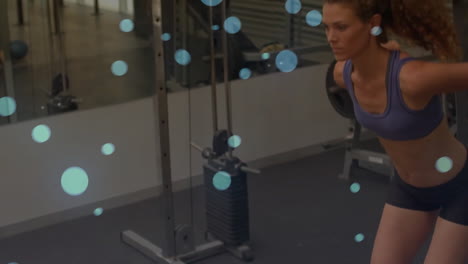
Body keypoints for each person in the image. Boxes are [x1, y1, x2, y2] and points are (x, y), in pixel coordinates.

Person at [322, 0, 468, 263]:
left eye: (341, 27)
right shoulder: (342, 74)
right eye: (327, 27)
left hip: (461, 188)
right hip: (408, 190)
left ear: (373, 24)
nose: (331, 38)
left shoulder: (413, 78)